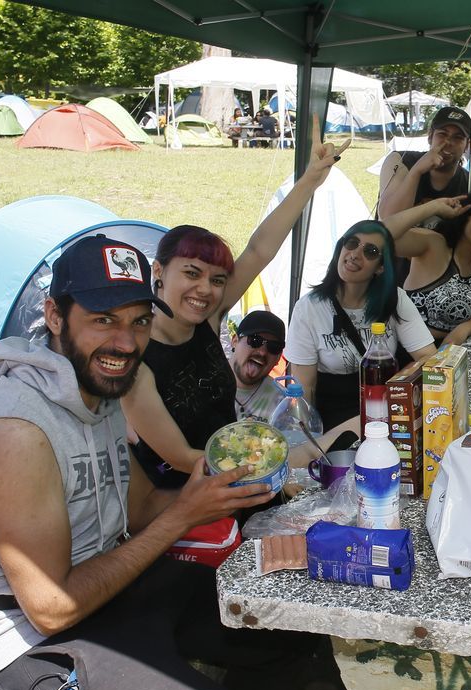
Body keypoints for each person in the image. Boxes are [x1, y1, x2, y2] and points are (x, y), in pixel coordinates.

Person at [0, 235, 307, 690]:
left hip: (104, 594)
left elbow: (141, 506)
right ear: (54, 316)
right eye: (103, 320)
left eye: (139, 321)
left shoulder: (99, 394)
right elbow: (52, 606)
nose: (125, 343)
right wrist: (182, 517)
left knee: (286, 633)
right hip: (16, 644)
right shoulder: (16, 432)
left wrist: (211, 493)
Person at [122, 129, 349, 488]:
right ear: (159, 271)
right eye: (192, 273)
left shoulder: (207, 319)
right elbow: (179, 455)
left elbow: (259, 250)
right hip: (187, 499)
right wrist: (267, 468)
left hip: (239, 469)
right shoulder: (135, 358)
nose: (205, 290)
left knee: (353, 434)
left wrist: (310, 180)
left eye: (216, 279)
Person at [283, 218, 438, 431]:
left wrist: (399, 386)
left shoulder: (394, 299)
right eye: (352, 243)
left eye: (371, 251)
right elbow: (304, 390)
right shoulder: (308, 308)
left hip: (385, 410)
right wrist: (311, 440)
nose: (355, 254)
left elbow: (429, 357)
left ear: (381, 267)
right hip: (333, 420)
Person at [396, 191, 471, 346]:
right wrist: (432, 208)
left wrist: (464, 329)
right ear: (465, 216)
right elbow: (382, 236)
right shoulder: (433, 244)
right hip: (405, 353)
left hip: (451, 354)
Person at [378, 106, 471, 230]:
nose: (448, 142)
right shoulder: (400, 161)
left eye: (458, 137)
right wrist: (416, 171)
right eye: (442, 134)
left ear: (467, 145)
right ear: (430, 137)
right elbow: (388, 219)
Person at [230, 310, 286, 423]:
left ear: (279, 358)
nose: (262, 352)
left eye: (273, 347)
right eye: (255, 340)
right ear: (235, 341)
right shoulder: (204, 384)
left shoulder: (282, 403)